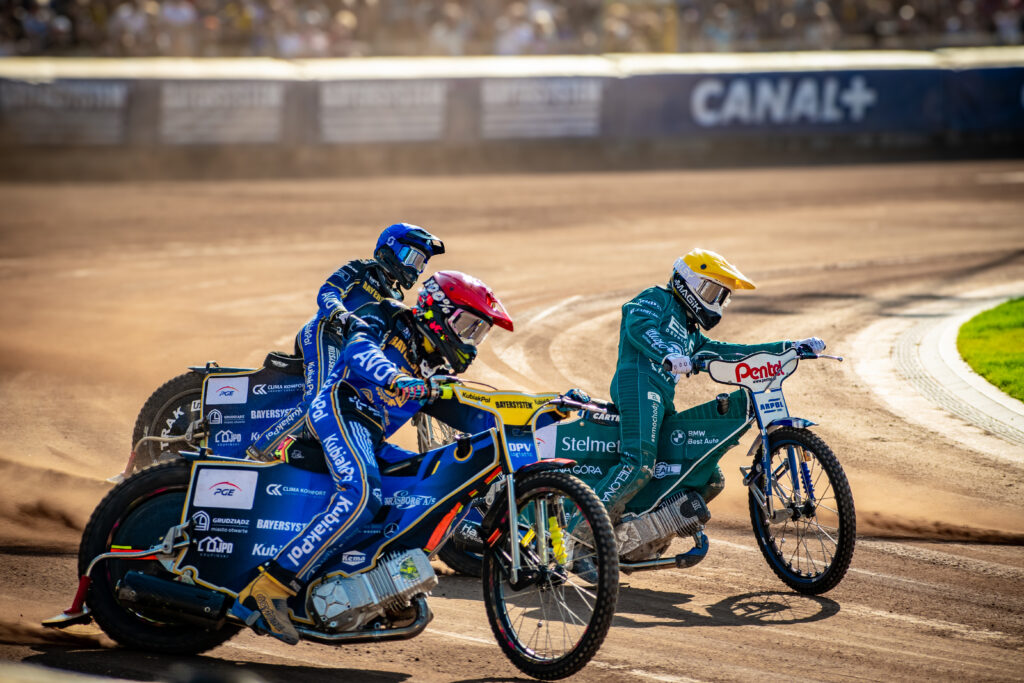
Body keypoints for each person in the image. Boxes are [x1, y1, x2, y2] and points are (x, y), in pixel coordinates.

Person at [235, 270, 514, 644]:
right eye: (467, 326)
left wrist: (537, 413)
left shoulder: (435, 368)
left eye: (478, 332)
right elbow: (359, 351)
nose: (470, 341)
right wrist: (397, 379)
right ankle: (270, 586)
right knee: (361, 494)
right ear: (436, 309)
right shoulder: (388, 315)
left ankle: (376, 581)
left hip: (372, 435)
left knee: (433, 485)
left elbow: (477, 415)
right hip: (340, 409)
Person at [595, 248, 825, 543]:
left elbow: (732, 352)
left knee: (710, 478)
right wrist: (667, 353)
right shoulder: (657, 298)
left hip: (661, 399)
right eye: (713, 291)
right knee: (638, 463)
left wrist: (789, 348)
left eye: (722, 297)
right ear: (689, 282)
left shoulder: (692, 334)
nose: (716, 302)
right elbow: (638, 326)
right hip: (638, 384)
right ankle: (580, 532)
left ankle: (638, 537)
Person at [246, 222, 444, 461]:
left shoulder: (396, 297)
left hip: (350, 353)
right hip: (326, 333)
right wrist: (343, 316)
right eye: (412, 258)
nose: (416, 268)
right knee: (319, 403)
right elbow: (327, 292)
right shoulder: (362, 268)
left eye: (421, 263)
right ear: (390, 248)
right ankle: (256, 456)